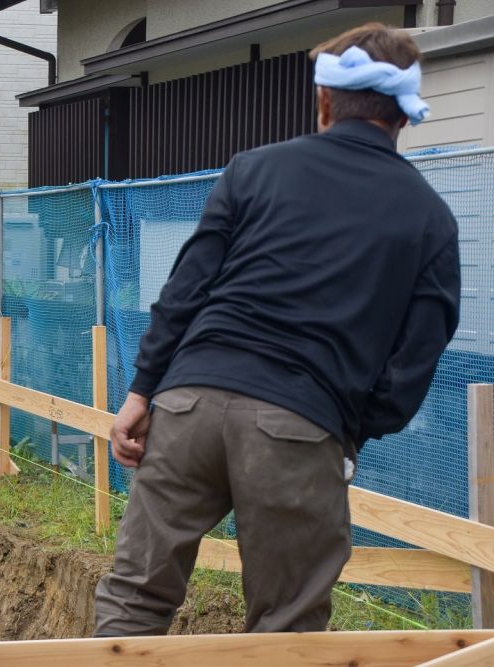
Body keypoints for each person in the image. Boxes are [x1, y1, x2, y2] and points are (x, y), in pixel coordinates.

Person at [94, 23, 460, 636]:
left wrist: (141, 392)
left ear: (323, 101)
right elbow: (418, 355)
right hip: (300, 425)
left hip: (188, 405)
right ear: (404, 115)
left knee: (133, 600)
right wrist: (347, 427)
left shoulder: (253, 171)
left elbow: (185, 290)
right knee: (286, 629)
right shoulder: (430, 217)